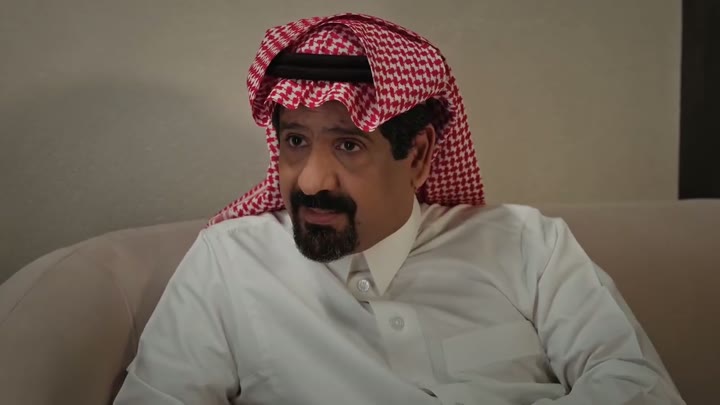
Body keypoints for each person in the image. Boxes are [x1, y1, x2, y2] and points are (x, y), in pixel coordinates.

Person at [114, 13, 686, 405]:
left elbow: (638, 386)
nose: (311, 180)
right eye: (295, 141)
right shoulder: (229, 263)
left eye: (347, 145)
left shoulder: (528, 244)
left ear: (418, 156)